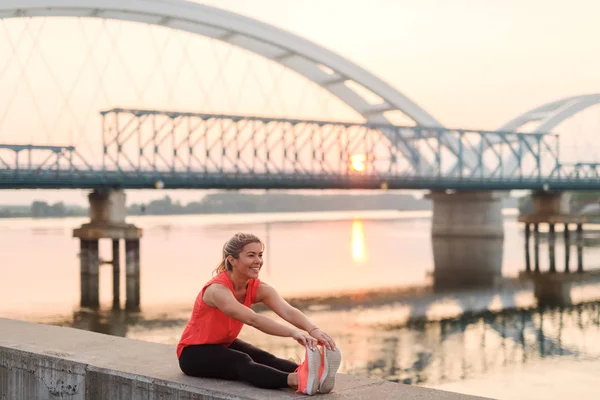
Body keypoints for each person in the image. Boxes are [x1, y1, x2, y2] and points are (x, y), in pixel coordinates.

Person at [177, 232, 342, 395]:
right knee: (241, 361)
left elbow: (287, 310)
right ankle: (296, 380)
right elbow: (252, 319)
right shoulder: (217, 290)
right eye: (251, 255)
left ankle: (315, 374)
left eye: (260, 255)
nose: (258, 261)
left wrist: (313, 330)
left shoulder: (258, 287)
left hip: (223, 344)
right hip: (193, 353)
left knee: (265, 358)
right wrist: (294, 333)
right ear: (232, 260)